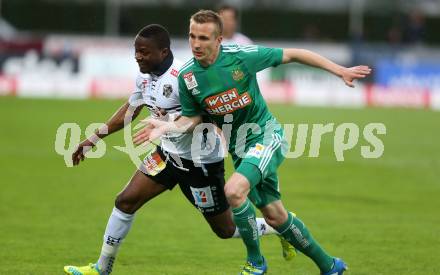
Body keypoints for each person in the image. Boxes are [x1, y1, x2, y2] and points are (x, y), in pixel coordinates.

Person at [134, 10, 371, 275]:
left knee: (234, 191)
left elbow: (293, 54)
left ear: (219, 39)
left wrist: (339, 70)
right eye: (192, 36)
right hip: (240, 149)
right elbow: (191, 118)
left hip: (267, 136)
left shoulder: (240, 56)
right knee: (276, 217)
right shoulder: (187, 76)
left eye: (203, 37)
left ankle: (255, 263)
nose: (196, 43)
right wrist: (166, 125)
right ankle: (330, 266)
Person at [63, 24, 293, 275]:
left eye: (144, 52)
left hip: (200, 164)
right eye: (136, 51)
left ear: (163, 52)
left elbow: (210, 116)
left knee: (225, 230)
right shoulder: (144, 77)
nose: (137, 56)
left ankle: (279, 225)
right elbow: (131, 110)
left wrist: (169, 125)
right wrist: (93, 138)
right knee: (125, 201)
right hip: (166, 156)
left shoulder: (186, 76)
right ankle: (101, 268)